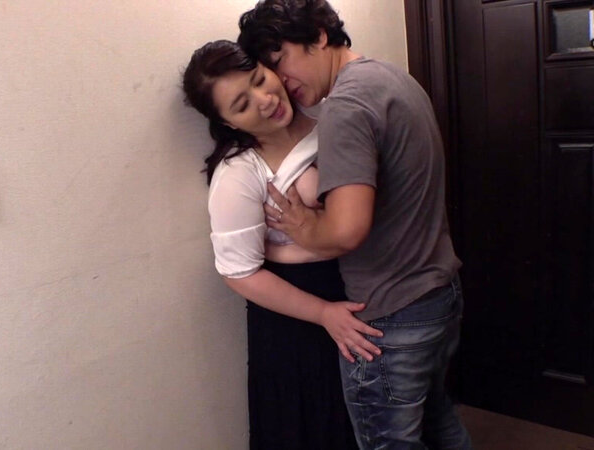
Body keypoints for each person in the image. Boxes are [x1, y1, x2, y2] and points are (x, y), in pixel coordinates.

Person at [238, 1, 473, 449]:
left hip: (393, 314)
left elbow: (346, 231)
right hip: (440, 294)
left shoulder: (345, 106)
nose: (280, 81)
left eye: (280, 59)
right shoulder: (393, 78)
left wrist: (301, 225)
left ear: (319, 35)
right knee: (439, 421)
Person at [182, 39, 381, 449]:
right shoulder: (240, 174)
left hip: (366, 290)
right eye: (242, 104)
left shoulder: (331, 117)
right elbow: (238, 273)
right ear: (228, 123)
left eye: (259, 79)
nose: (265, 99)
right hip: (297, 319)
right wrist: (323, 313)